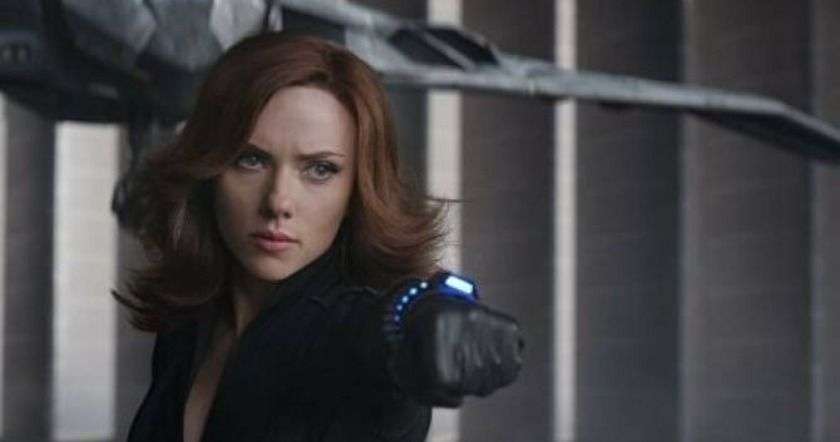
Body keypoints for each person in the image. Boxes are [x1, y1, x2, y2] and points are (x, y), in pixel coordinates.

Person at [115, 32, 523, 442]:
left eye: (320, 169)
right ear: (210, 171)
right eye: (251, 159)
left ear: (355, 192)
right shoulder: (187, 329)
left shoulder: (350, 338)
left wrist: (413, 319)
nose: (278, 202)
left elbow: (378, 333)